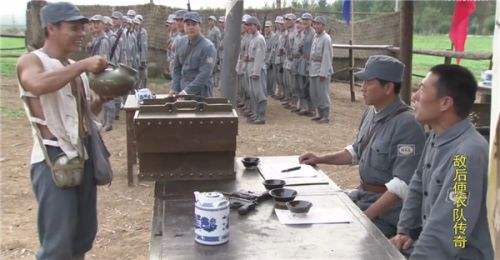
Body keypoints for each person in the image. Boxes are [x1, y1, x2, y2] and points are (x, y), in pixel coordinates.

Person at [16, 2, 110, 259]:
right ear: (51, 28)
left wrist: (102, 98)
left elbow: (82, 113)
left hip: (83, 157)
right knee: (57, 245)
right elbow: (35, 84)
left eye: (82, 28)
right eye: (74, 28)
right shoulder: (32, 60)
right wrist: (81, 66)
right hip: (53, 162)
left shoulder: (70, 66)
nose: (81, 33)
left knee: (81, 238)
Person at [299, 55, 426, 238]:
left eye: (368, 82)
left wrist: (363, 218)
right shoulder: (371, 112)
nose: (362, 87)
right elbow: (356, 151)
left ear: (388, 87)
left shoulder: (407, 124)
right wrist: (320, 158)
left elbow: (401, 187)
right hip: (363, 198)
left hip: (388, 215)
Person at [390, 64, 494, 259]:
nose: (414, 97)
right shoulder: (436, 136)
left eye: (422, 89)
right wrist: (405, 230)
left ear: (445, 102)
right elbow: (418, 184)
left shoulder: (467, 155)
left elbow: (451, 230)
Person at [172, 12, 217, 97]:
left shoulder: (208, 47)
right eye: (188, 24)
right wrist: (175, 88)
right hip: (183, 89)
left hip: (201, 93)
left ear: (199, 26)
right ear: (184, 26)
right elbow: (177, 68)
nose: (190, 27)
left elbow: (205, 73)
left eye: (194, 24)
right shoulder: (180, 42)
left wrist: (187, 91)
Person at [88, 14, 114, 132]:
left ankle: (109, 122)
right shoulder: (95, 38)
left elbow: (104, 59)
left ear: (103, 25)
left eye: (97, 23)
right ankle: (102, 121)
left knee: (106, 96)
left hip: (101, 72)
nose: (94, 25)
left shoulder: (104, 40)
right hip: (95, 71)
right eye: (93, 23)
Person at [308, 16, 333, 123]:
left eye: (319, 24)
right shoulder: (316, 37)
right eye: (315, 24)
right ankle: (319, 114)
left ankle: (325, 116)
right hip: (314, 69)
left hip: (321, 70)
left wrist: (323, 72)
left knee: (323, 94)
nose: (316, 26)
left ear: (323, 25)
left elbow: (327, 57)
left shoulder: (326, 38)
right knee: (315, 94)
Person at [244, 16, 267, 124]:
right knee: (252, 92)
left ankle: (261, 116)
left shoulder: (259, 39)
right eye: (247, 25)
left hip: (256, 69)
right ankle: (256, 114)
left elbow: (259, 57)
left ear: (256, 26)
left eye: (250, 25)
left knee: (259, 93)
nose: (248, 27)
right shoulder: (253, 38)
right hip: (251, 67)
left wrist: (256, 72)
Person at [296, 13, 315, 117]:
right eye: (304, 20)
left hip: (309, 63)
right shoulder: (303, 33)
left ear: (311, 21)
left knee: (308, 86)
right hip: (302, 62)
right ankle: (305, 107)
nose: (305, 21)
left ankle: (311, 109)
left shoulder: (313, 34)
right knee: (301, 85)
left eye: (307, 20)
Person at [207, 15, 222, 88]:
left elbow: (218, 42)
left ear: (214, 22)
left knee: (215, 67)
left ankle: (216, 82)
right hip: (209, 51)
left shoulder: (216, 30)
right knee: (210, 65)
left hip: (215, 51)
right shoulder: (209, 30)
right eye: (209, 20)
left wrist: (216, 52)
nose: (210, 22)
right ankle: (212, 81)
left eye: (211, 20)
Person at [135, 15, 148, 89]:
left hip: (141, 58)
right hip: (135, 58)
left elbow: (144, 46)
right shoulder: (133, 31)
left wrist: (143, 60)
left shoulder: (143, 32)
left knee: (143, 78)